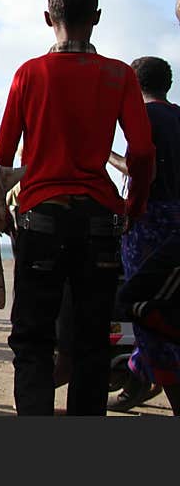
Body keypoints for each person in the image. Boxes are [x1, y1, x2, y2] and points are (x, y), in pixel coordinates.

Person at [0, 0, 155, 416]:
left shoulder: (28, 75)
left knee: (32, 339)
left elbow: (2, 159)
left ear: (48, 17)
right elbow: (141, 151)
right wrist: (132, 207)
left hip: (40, 219)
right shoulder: (119, 75)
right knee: (89, 343)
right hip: (101, 222)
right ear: (98, 17)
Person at [106, 56, 180, 415]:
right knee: (168, 310)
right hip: (177, 223)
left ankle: (145, 374)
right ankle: (137, 378)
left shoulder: (144, 118)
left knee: (142, 306)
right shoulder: (178, 115)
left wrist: (107, 154)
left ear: (134, 86)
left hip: (148, 221)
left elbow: (140, 170)